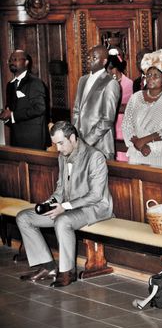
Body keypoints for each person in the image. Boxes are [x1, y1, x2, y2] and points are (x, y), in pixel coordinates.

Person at [16, 121, 113, 287]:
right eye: (55, 144)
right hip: (69, 207)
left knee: (62, 221)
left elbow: (96, 195)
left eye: (61, 143)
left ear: (73, 138)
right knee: (24, 217)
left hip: (94, 208)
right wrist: (50, 203)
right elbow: (60, 189)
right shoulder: (62, 156)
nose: (58, 149)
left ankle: (67, 272)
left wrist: (64, 207)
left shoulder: (94, 156)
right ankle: (48, 267)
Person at [122, 49, 162, 169]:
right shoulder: (136, 97)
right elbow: (127, 124)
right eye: (149, 75)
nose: (151, 78)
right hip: (138, 149)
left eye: (156, 76)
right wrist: (138, 143)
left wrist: (144, 141)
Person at [72, 45, 121, 160]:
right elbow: (76, 110)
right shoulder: (82, 80)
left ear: (104, 61)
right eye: (88, 57)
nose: (89, 60)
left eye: (94, 58)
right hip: (79, 142)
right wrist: (74, 138)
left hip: (100, 145)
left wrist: (87, 141)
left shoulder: (110, 83)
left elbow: (107, 119)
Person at [1, 50, 48, 150]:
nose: (11, 62)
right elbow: (12, 109)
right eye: (10, 60)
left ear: (26, 62)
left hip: (33, 139)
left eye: (15, 59)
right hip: (16, 139)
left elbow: (40, 108)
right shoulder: (10, 85)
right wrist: (6, 116)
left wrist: (13, 115)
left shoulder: (35, 82)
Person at [106, 52, 134, 162]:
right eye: (107, 69)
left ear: (118, 67)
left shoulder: (129, 83)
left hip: (123, 123)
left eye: (111, 68)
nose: (109, 71)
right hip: (111, 123)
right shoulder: (106, 83)